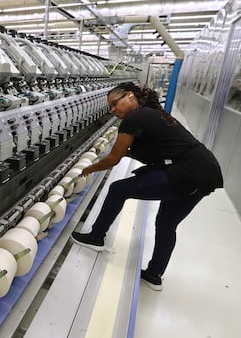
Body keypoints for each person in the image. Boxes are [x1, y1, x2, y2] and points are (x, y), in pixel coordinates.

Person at [70, 82, 223, 290]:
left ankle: (96, 237)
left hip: (185, 172)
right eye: (110, 107)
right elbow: (149, 150)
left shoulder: (134, 119)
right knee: (167, 224)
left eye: (115, 103)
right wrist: (119, 151)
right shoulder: (151, 114)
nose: (113, 110)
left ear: (130, 96)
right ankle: (154, 275)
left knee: (118, 189)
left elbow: (114, 159)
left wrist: (89, 169)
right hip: (206, 171)